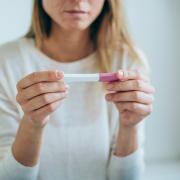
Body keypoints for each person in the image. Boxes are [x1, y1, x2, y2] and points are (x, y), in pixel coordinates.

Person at [0, 0, 155, 180]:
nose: (78, 1)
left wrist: (130, 126)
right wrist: (32, 124)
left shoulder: (128, 60)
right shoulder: (6, 62)